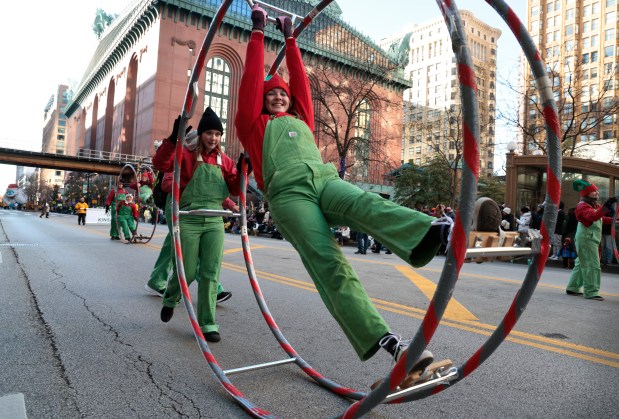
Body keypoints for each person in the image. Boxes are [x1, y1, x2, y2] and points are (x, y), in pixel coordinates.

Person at [235, 8, 449, 375]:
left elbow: (300, 84)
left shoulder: (302, 119)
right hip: (289, 196)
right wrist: (257, 33)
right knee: (330, 262)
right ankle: (391, 344)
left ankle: (426, 234)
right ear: (261, 102)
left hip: (323, 179)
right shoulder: (252, 125)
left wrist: (291, 40)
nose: (277, 98)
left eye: (282, 95)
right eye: (270, 96)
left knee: (362, 202)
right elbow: (253, 81)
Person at [152, 107, 241, 342]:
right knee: (188, 271)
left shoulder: (225, 160)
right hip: (188, 219)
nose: (213, 138)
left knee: (211, 273)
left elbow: (234, 187)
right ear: (201, 134)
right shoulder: (186, 154)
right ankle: (171, 298)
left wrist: (244, 168)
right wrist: (173, 139)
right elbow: (161, 163)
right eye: (209, 133)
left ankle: (208, 323)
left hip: (213, 221)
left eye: (217, 134)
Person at [145, 168, 236, 305]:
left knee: (172, 244)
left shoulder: (213, 158)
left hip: (196, 206)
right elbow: (167, 183)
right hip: (179, 206)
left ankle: (156, 281)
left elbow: (215, 187)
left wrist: (231, 204)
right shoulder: (184, 152)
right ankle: (213, 291)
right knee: (191, 250)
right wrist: (193, 186)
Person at [565, 180, 615, 301]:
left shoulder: (592, 205)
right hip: (587, 238)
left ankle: (573, 287)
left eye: (597, 191)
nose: (597, 193)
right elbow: (593, 216)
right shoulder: (582, 206)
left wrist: (613, 218)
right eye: (594, 191)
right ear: (587, 193)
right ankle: (591, 291)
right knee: (592, 265)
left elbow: (600, 218)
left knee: (581, 263)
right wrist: (605, 208)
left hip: (589, 238)